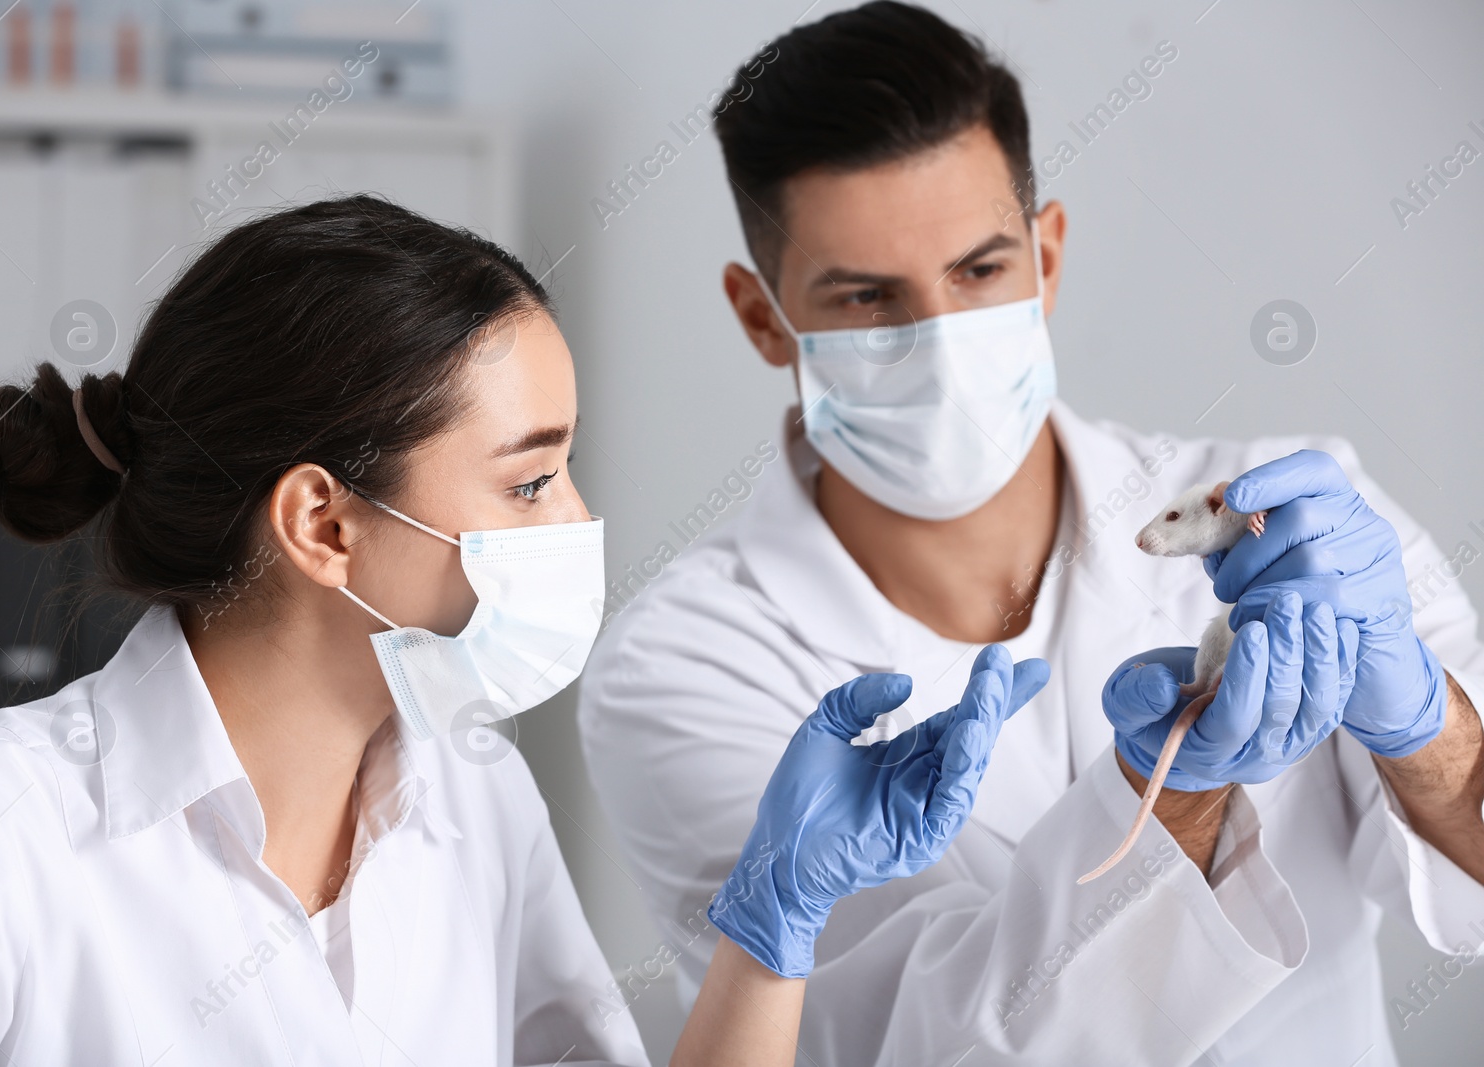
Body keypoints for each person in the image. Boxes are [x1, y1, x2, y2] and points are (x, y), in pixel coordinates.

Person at [0, 196, 1049, 1066]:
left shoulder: (471, 796)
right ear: (323, 524)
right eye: (532, 482)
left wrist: (773, 920)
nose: (584, 520)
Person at [578, 4, 1484, 1065]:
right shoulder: (680, 664)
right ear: (762, 316)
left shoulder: (1300, 518)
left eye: (978, 271)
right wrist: (1176, 798)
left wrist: (1425, 726)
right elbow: (888, 1044)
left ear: (1045, 255)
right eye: (868, 296)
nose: (942, 344)